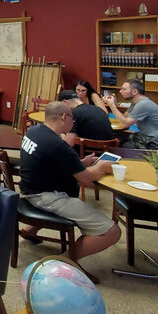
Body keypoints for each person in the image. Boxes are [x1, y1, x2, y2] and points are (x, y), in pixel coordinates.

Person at [18, 101, 120, 276]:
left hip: (29, 190)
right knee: (112, 231)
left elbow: (48, 161)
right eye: (73, 118)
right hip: (47, 197)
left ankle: (31, 229)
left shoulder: (34, 132)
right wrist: (101, 167)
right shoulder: (58, 145)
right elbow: (86, 179)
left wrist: (79, 164)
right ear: (65, 117)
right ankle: (66, 259)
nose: (74, 123)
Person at [102, 78, 158, 150]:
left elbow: (126, 123)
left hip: (156, 144)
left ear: (135, 91)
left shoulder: (143, 104)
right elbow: (124, 117)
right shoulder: (136, 102)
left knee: (121, 144)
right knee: (121, 138)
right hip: (149, 138)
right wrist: (114, 104)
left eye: (124, 89)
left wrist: (111, 105)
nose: (120, 91)